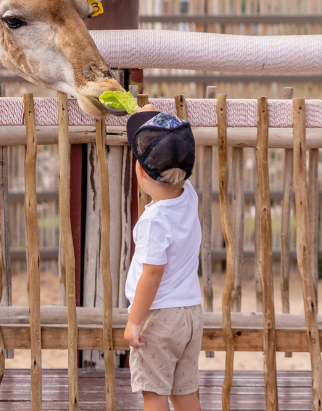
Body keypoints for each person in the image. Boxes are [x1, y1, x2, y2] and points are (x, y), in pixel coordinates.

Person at [123, 104, 203, 411]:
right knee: (183, 392)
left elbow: (152, 274)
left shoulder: (155, 221)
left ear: (140, 171)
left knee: (154, 393)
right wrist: (152, 116)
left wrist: (134, 321)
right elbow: (175, 152)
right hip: (190, 315)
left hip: (159, 318)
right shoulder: (188, 195)